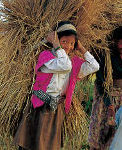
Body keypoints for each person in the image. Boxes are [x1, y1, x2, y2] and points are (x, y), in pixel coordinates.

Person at [13, 21, 99, 150]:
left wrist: (82, 49)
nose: (68, 47)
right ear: (56, 40)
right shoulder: (46, 57)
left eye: (72, 43)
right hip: (40, 107)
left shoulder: (74, 62)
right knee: (31, 144)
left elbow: (94, 66)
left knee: (49, 145)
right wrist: (57, 46)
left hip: (56, 109)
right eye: (64, 42)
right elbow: (65, 66)